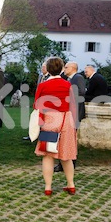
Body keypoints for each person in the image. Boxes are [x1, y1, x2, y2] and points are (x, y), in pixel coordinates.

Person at [34, 57, 77, 195]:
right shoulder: (67, 85)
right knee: (66, 155)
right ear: (62, 68)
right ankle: (71, 184)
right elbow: (73, 104)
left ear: (48, 68)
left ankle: (48, 187)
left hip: (50, 119)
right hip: (66, 119)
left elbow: (36, 105)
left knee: (48, 154)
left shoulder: (43, 85)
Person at [54, 61, 85, 172]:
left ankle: (70, 163)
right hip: (68, 113)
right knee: (63, 139)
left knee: (70, 140)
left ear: (73, 68)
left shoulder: (78, 78)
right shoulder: (69, 79)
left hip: (74, 113)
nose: (64, 69)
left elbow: (81, 93)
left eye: (66, 67)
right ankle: (63, 163)